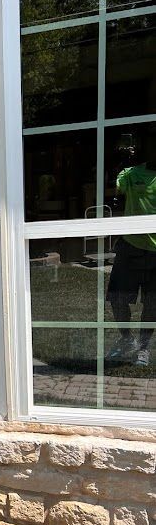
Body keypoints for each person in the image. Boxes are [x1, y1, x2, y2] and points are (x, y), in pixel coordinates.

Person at [106, 130, 156, 369]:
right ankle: (127, 340)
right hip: (130, 247)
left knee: (153, 302)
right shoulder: (131, 174)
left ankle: (144, 348)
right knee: (116, 298)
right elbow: (115, 190)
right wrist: (122, 162)